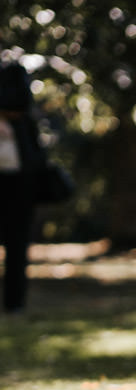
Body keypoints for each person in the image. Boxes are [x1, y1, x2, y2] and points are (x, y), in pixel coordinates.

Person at [0, 61, 45, 314]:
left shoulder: (13, 73)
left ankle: (14, 302)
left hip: (19, 178)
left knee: (17, 242)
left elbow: (19, 103)